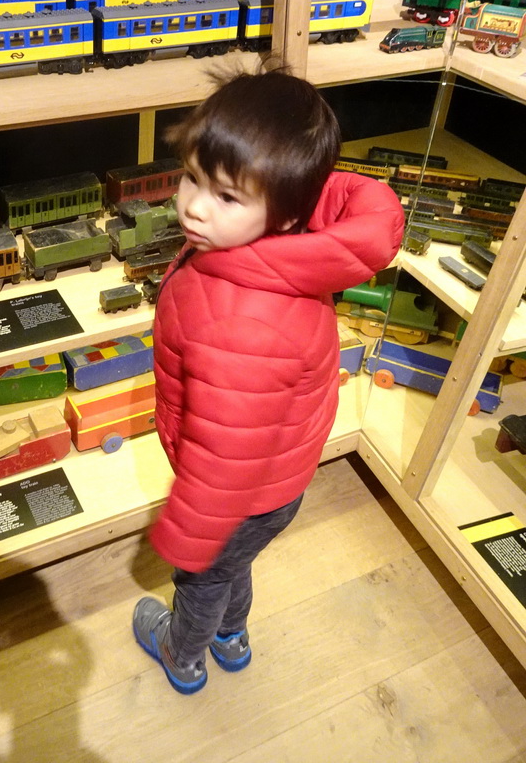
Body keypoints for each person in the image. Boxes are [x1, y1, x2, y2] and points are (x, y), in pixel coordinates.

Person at [132, 66, 405, 694]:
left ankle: (184, 653)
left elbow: (226, 454)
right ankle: (232, 635)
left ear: (285, 214)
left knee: (200, 579)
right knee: (235, 566)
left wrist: (187, 535)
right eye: (193, 178)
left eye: (227, 197)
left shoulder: (241, 318)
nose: (196, 207)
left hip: (238, 492)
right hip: (276, 483)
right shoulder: (279, 253)